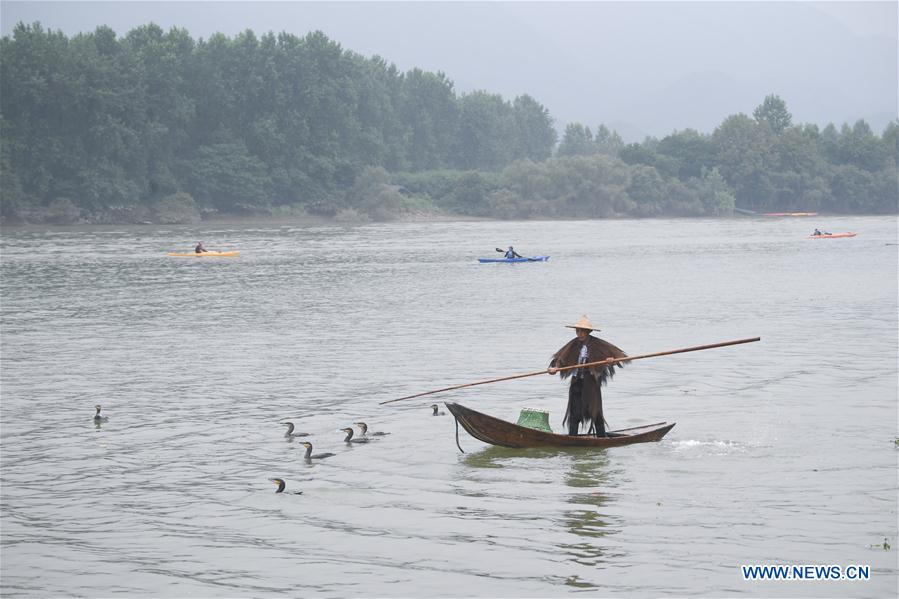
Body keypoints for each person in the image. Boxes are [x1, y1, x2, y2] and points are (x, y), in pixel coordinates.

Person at [547, 315, 627, 437]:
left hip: (591, 383)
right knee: (574, 412)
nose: (579, 334)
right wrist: (554, 368)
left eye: (581, 331)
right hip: (576, 382)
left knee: (595, 411)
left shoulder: (598, 344)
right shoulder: (573, 344)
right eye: (577, 331)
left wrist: (611, 360)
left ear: (588, 331)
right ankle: (572, 438)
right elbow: (560, 358)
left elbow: (617, 357)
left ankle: (601, 438)